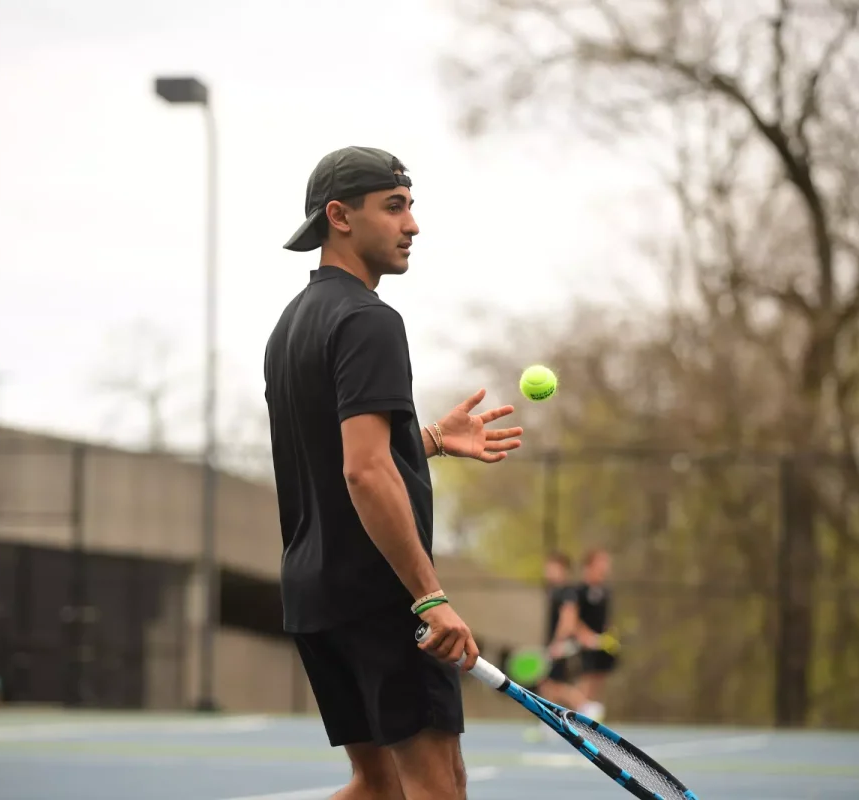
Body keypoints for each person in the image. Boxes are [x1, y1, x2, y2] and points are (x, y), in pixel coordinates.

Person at [264, 146, 526, 800]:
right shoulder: (369, 321)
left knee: (375, 789)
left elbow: (343, 454)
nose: (412, 225)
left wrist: (429, 439)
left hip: (314, 596)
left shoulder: (290, 326)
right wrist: (429, 596)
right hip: (381, 602)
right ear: (339, 217)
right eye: (394, 207)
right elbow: (363, 471)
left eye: (410, 207)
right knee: (439, 787)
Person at [524, 551, 588, 742]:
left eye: (551, 567)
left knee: (552, 684)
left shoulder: (567, 592)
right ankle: (549, 725)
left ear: (562, 569)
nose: (547, 571)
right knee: (547, 685)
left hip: (560, 646)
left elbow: (568, 619)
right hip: (555, 645)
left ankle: (586, 706)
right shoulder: (555, 592)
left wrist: (558, 643)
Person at [574, 546, 616, 722]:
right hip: (583, 644)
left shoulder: (605, 592)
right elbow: (574, 618)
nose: (605, 566)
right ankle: (577, 715)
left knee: (599, 676)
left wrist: (608, 637)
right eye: (601, 562)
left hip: (601, 643)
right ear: (590, 565)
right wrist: (585, 636)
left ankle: (590, 716)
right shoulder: (579, 591)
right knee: (586, 676)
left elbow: (605, 620)